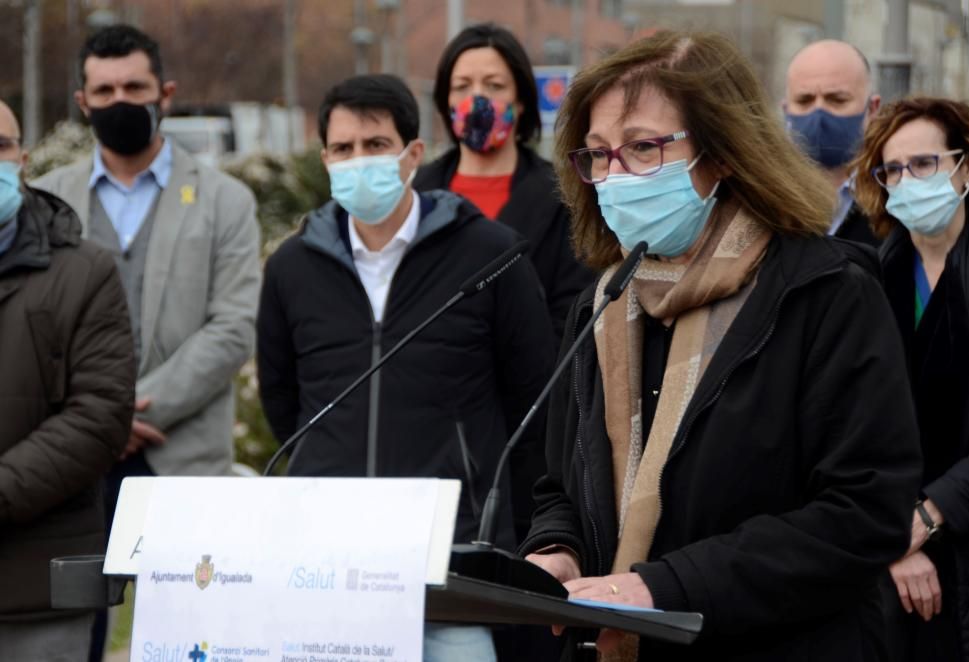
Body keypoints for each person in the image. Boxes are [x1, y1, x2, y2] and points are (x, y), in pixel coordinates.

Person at [519, 30, 922, 661]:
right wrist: (556, 552)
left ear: (723, 152)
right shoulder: (602, 304)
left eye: (643, 148)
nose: (615, 176)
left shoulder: (825, 295)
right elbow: (561, 485)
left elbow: (864, 513)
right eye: (598, 154)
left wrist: (665, 587)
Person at [256, 73, 554, 662]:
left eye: (375, 145)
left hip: (452, 563)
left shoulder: (491, 255)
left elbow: (533, 397)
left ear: (413, 154)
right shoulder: (292, 266)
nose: (358, 161)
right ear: (324, 158)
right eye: (343, 149)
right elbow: (282, 400)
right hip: (327, 564)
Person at [32, 24, 261, 660]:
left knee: (191, 638)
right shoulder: (47, 200)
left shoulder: (225, 201)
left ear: (165, 92)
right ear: (82, 102)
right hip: (73, 460)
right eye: (103, 90)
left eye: (134, 85)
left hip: (179, 451)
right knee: (74, 634)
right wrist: (95, 421)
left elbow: (232, 324)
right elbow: (34, 334)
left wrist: (130, 409)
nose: (120, 100)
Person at [852, 97, 969, 661]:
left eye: (924, 164)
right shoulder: (864, 280)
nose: (907, 180)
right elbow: (844, 427)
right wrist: (893, 535)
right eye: (893, 169)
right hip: (883, 560)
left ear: (965, 168)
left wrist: (930, 513)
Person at [0, 99, 135, 661]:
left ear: (23, 159)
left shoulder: (85, 271)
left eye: (0, 146)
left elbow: (99, 416)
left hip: (40, 593)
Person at [414, 23, 591, 343]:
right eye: (462, 86)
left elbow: (573, 310)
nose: (477, 98)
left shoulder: (563, 196)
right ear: (446, 101)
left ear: (521, 100)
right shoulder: (415, 196)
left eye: (494, 85)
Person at [784, 39, 881, 246]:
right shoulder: (763, 201)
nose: (819, 114)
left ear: (872, 109)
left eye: (837, 100)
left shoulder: (898, 196)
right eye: (804, 101)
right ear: (786, 110)